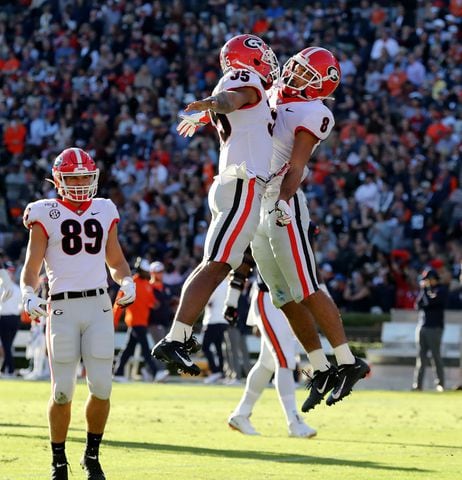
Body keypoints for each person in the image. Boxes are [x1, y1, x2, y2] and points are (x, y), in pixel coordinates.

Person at [234, 47, 369, 410]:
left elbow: (297, 165)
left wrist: (283, 200)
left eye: (306, 74)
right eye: (295, 69)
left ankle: (348, 361)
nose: (294, 76)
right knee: (283, 296)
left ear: (321, 84)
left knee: (306, 287)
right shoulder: (274, 91)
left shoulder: (314, 111)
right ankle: (321, 367)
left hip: (282, 203)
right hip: (257, 203)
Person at [152, 34, 280, 375]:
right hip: (241, 182)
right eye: (261, 56)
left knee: (224, 262)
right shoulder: (244, 78)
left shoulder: (253, 92)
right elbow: (230, 100)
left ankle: (183, 333)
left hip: (240, 184)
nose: (266, 62)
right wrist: (211, 103)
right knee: (216, 262)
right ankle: (175, 338)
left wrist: (206, 113)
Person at [20, 147, 135, 480]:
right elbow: (32, 265)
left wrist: (126, 280)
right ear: (59, 181)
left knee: (101, 387)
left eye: (86, 176)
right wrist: (28, 293)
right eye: (74, 178)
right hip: (62, 307)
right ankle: (58, 460)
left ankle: (91, 455)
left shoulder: (104, 209)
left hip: (98, 305)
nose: (82, 183)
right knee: (62, 391)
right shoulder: (44, 213)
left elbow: (116, 261)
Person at [228, 276, 317, 438]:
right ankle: (293, 420)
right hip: (270, 295)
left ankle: (241, 413)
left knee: (267, 363)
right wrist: (232, 298)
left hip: (287, 298)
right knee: (285, 359)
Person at [113, 258, 166, 383]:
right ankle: (155, 372)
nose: (148, 273)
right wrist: (113, 321)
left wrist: (155, 304)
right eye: (146, 271)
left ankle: (118, 373)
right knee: (145, 349)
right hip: (135, 321)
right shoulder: (131, 283)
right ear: (141, 270)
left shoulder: (146, 284)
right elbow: (119, 303)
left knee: (129, 349)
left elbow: (151, 301)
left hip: (142, 322)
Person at [412, 267, 448, 392]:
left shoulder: (441, 290)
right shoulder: (425, 291)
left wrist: (425, 289)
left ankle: (440, 383)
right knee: (420, 357)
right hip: (422, 326)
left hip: (434, 328)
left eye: (429, 279)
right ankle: (418, 385)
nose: (427, 282)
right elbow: (417, 304)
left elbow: (430, 302)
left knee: (435, 356)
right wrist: (423, 290)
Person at [201, 278, 229, 384]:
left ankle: (215, 371)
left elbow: (207, 301)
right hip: (223, 321)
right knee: (218, 348)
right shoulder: (228, 283)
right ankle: (220, 373)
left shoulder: (214, 284)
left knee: (205, 347)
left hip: (213, 320)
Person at [0, 262, 22, 377]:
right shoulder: (18, 289)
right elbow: (21, 307)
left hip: (5, 318)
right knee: (8, 345)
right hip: (15, 319)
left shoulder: (1, 288)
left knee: (7, 346)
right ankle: (4, 370)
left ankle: (11, 369)